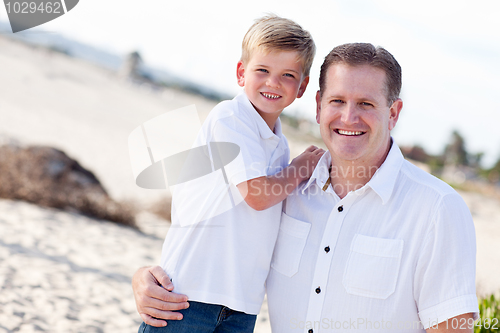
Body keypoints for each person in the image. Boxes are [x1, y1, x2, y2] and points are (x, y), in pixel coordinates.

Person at [133, 43, 479, 332]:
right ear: (317, 106)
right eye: (337, 101)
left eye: (367, 104)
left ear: (394, 113)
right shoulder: (287, 190)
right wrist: (149, 278)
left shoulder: (436, 208)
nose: (348, 117)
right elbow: (221, 238)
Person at [137, 15, 323, 333]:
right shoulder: (231, 117)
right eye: (262, 70)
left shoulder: (279, 144)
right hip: (187, 295)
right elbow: (258, 195)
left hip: (242, 305)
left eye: (287, 75)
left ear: (302, 86)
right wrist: (301, 168)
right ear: (241, 73)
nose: (273, 82)